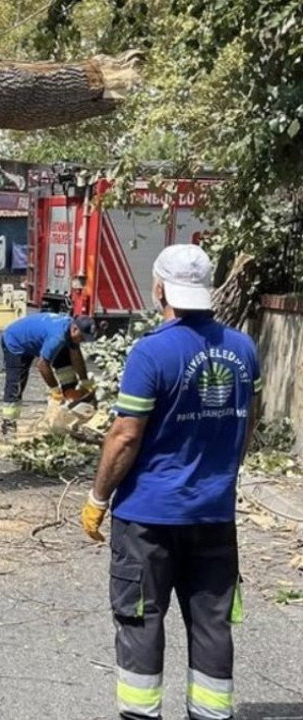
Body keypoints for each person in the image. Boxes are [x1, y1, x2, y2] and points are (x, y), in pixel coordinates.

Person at [82, 244, 260, 720]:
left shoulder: (152, 352)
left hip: (148, 520)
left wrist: (98, 497)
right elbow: (246, 425)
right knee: (212, 623)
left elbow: (124, 436)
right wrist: (221, 475)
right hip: (214, 516)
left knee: (140, 619)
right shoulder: (243, 349)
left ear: (159, 288)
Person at [0, 311, 97, 437]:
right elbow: (42, 365)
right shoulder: (57, 336)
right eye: (82, 338)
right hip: (16, 342)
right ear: (75, 329)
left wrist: (84, 381)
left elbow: (76, 355)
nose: (82, 341)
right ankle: (8, 425)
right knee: (16, 384)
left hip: (36, 341)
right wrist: (55, 391)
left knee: (66, 367)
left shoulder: (71, 329)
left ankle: (69, 404)